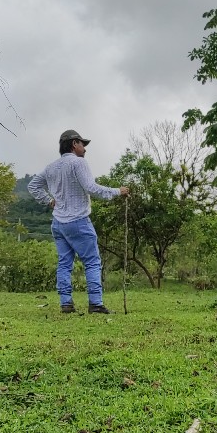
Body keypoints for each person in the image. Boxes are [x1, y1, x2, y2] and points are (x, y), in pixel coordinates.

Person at [28, 129, 129, 314]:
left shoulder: (51, 167)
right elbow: (91, 187)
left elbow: (32, 185)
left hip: (58, 223)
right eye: (82, 144)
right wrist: (117, 191)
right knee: (92, 261)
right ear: (74, 144)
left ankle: (66, 303)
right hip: (78, 221)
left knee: (64, 263)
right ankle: (96, 304)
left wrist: (49, 201)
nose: (85, 148)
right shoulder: (78, 163)